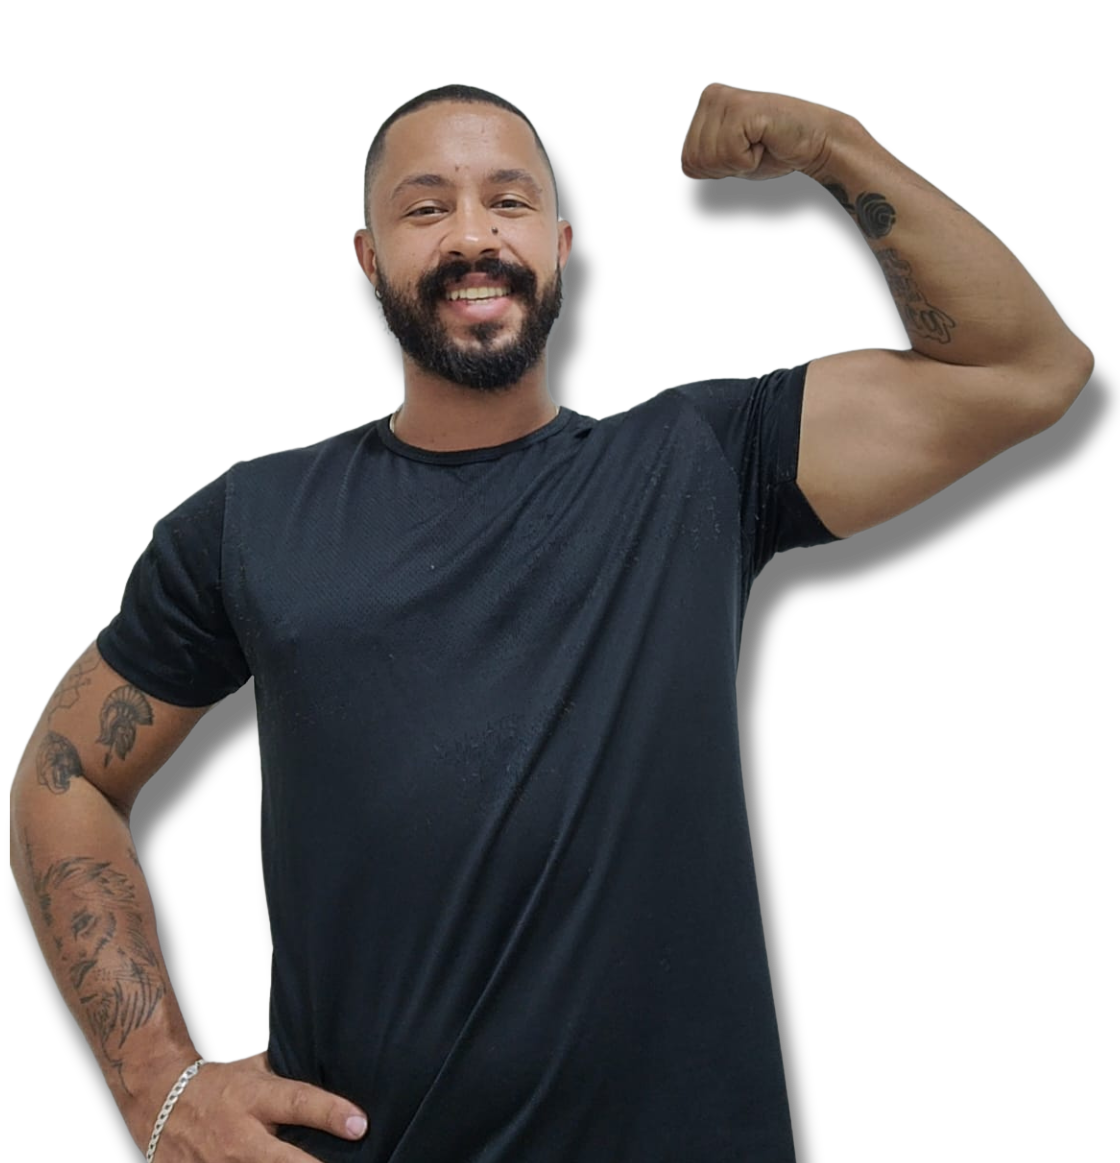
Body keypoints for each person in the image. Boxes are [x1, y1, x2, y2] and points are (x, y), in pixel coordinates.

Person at [9, 81, 1094, 1162]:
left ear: (561, 246)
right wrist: (160, 1088)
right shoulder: (249, 520)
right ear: (369, 259)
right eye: (425, 207)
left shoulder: (701, 461)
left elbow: (1026, 367)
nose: (472, 235)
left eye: (509, 201)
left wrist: (836, 146)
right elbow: (62, 777)